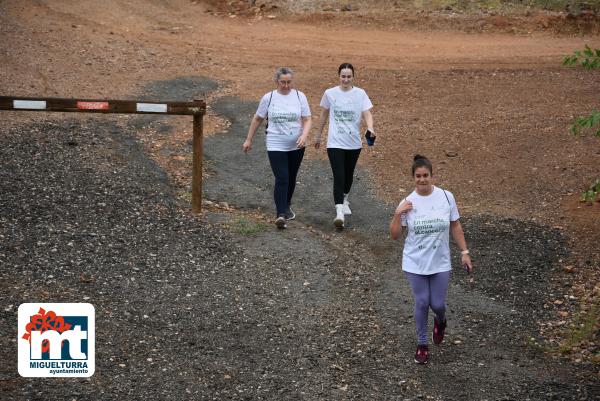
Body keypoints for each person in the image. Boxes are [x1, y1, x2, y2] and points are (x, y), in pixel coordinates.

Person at [389, 154, 473, 364]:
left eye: (426, 175)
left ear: (432, 176)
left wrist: (464, 252)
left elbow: (455, 225)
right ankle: (422, 344)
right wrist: (398, 214)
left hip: (440, 261)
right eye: (418, 176)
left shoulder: (446, 197)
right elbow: (395, 235)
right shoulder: (408, 202)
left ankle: (441, 321)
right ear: (413, 178)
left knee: (437, 304)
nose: (422, 179)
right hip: (415, 261)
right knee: (422, 301)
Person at [243, 67, 312, 229]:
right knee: (282, 177)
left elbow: (307, 119)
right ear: (277, 82)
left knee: (292, 177)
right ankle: (280, 214)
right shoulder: (269, 98)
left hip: (297, 146)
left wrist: (304, 136)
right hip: (275, 144)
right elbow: (258, 119)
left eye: (289, 82)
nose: (286, 86)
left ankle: (286, 205)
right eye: (283, 82)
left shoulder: (299, 96)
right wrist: (248, 139)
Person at [315, 62, 374, 229]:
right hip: (335, 142)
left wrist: (370, 127)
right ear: (338, 76)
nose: (346, 79)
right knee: (339, 176)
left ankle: (345, 197)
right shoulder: (330, 93)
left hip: (354, 143)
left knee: (349, 175)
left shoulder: (360, 94)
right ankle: (339, 212)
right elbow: (324, 114)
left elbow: (367, 113)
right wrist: (318, 135)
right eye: (343, 76)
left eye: (349, 77)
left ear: (353, 77)